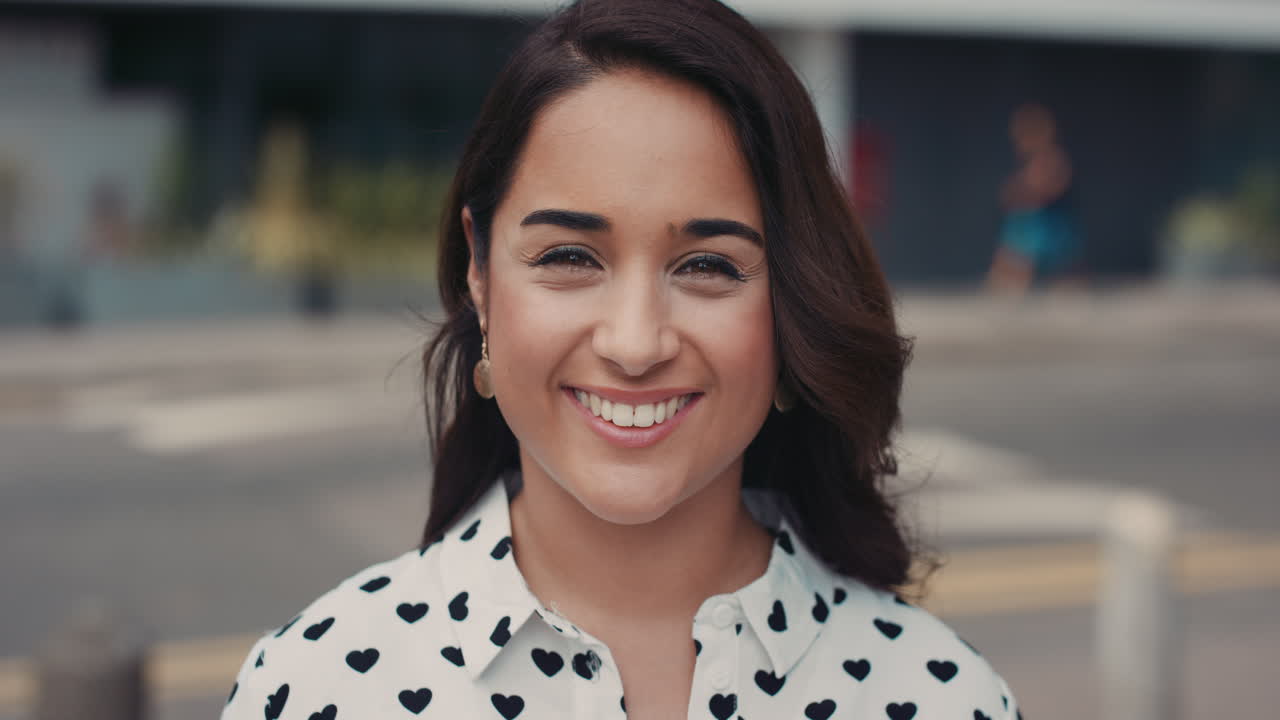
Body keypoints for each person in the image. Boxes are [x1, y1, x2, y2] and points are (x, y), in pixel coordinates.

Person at [222, 1, 1022, 718]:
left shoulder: (937, 695)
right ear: (479, 270)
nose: (635, 344)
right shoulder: (314, 687)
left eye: (708, 265)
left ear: (791, 303)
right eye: (570, 255)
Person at [986, 102, 1083, 294]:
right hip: (1025, 222)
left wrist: (1033, 191)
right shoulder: (1025, 164)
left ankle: (1065, 283)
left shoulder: (1053, 158)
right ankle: (1008, 283)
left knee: (1060, 261)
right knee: (1013, 246)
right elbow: (1012, 193)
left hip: (1048, 221)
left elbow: (1054, 185)